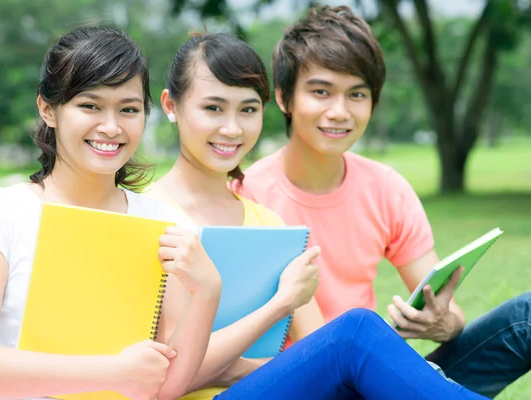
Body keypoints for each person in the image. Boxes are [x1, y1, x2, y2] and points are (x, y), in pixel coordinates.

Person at [146, 32, 488, 400]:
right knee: (356, 330)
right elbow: (166, 376)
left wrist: (241, 366)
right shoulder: (146, 216)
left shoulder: (270, 224)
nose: (232, 128)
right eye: (213, 108)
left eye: (247, 109)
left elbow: (320, 354)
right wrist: (281, 304)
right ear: (171, 105)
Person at [235, 5, 531, 397]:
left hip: (376, 375)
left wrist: (442, 323)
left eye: (356, 94)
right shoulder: (245, 196)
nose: (339, 112)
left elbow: (449, 311)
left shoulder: (386, 188)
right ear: (284, 97)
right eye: (321, 91)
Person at [0, 26, 222, 400]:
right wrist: (113, 372)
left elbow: (167, 388)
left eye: (129, 109)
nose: (110, 126)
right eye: (90, 105)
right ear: (47, 109)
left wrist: (208, 291)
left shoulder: (163, 224)